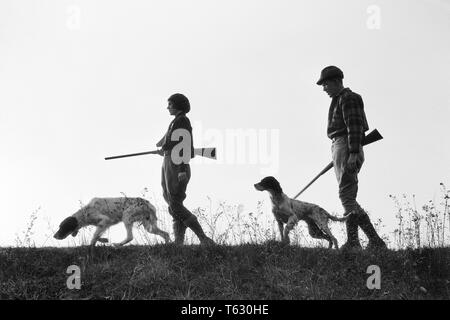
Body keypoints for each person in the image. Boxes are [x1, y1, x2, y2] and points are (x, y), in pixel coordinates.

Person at [316, 66, 386, 251]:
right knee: (347, 196)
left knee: (346, 195)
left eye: (326, 84)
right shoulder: (341, 99)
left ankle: (362, 242)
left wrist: (353, 153)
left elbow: (354, 127)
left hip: (346, 144)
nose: (324, 88)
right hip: (341, 145)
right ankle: (366, 241)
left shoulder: (348, 98)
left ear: (337, 81)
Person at [156, 93, 215, 245]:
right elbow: (166, 142)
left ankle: (203, 238)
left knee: (175, 204)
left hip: (177, 164)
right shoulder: (176, 121)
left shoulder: (182, 121)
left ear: (176, 105)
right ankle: (179, 242)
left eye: (170, 104)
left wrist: (182, 168)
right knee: (173, 204)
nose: (167, 107)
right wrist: (164, 148)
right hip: (169, 161)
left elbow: (184, 145)